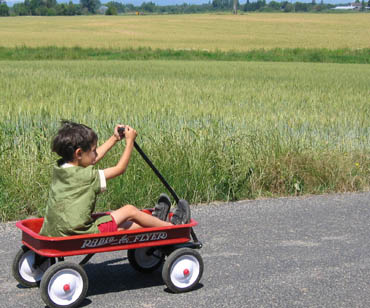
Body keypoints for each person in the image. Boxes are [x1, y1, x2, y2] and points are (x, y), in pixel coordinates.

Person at [39, 121, 189, 237]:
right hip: (80, 232)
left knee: (124, 225)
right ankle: (173, 228)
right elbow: (119, 169)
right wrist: (129, 141)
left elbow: (91, 160)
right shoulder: (87, 177)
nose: (95, 154)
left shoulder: (61, 168)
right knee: (129, 210)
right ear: (78, 153)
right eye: (92, 150)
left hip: (57, 229)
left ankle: (157, 222)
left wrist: (114, 139)